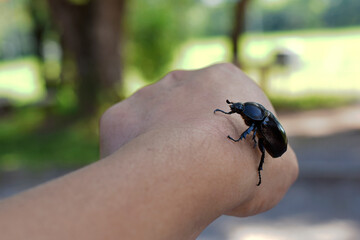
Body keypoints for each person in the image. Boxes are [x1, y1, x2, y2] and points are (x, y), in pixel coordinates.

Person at [0, 63, 298, 240]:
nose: (237, 112)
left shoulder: (259, 124)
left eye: (240, 110)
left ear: (253, 115)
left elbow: (261, 143)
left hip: (275, 146)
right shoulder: (253, 116)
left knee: (256, 149)